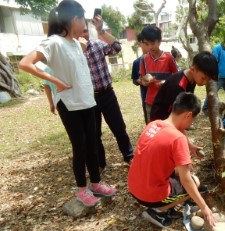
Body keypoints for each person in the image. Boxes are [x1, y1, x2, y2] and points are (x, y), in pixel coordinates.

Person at [19, 0, 117, 207]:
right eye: (82, 20)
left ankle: (96, 184)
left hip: (87, 100)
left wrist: (81, 47)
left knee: (92, 144)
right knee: (80, 146)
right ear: (74, 19)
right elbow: (25, 63)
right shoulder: (53, 42)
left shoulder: (75, 42)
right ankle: (82, 189)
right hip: (70, 104)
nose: (85, 26)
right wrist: (55, 82)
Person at [128, 92, 217, 228]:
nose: (190, 124)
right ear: (187, 115)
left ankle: (160, 203)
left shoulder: (154, 124)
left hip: (134, 188)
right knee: (195, 182)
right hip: (149, 196)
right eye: (192, 120)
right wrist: (204, 207)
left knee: (178, 172)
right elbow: (186, 181)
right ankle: (158, 211)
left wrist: (190, 147)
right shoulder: (177, 138)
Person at [81, 17, 134, 174]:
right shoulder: (74, 53)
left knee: (119, 127)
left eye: (85, 31)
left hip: (107, 94)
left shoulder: (98, 45)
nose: (83, 34)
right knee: (94, 133)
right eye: (80, 31)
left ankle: (129, 156)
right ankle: (100, 163)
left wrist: (101, 31)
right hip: (89, 98)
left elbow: (117, 47)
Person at [150, 51, 218, 122]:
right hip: (160, 120)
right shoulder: (178, 85)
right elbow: (172, 113)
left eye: (208, 80)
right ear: (193, 69)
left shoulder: (192, 79)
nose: (205, 83)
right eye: (203, 78)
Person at [139, 25, 179, 123]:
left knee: (167, 129)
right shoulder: (143, 59)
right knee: (152, 129)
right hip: (150, 102)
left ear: (159, 41)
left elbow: (177, 77)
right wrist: (144, 82)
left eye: (152, 43)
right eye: (146, 44)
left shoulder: (169, 58)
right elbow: (141, 79)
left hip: (166, 101)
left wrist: (166, 82)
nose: (150, 47)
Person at [202, 40, 225, 115]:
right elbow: (213, 62)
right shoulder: (217, 48)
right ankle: (205, 108)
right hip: (218, 76)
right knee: (213, 92)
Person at [131, 32, 149, 124]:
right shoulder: (137, 62)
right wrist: (140, 81)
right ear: (139, 44)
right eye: (145, 43)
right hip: (146, 96)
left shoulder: (161, 59)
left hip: (161, 96)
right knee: (149, 122)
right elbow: (134, 79)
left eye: (150, 42)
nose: (148, 45)